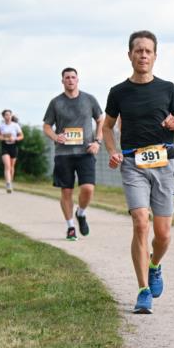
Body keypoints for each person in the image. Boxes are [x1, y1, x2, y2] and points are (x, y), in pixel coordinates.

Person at [102, 30, 174, 315]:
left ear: (155, 56)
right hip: (133, 164)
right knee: (141, 222)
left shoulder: (167, 88)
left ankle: (154, 265)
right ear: (129, 55)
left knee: (163, 234)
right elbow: (106, 127)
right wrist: (112, 150)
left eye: (148, 51)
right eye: (138, 50)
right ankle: (142, 291)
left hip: (164, 164)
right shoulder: (118, 92)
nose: (143, 55)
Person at [42, 68, 104, 240]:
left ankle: (81, 213)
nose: (70, 80)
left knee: (88, 189)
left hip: (86, 152)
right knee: (66, 192)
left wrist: (97, 141)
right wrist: (56, 136)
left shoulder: (89, 99)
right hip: (64, 154)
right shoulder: (56, 102)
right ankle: (70, 227)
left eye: (73, 77)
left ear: (78, 80)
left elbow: (101, 120)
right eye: (67, 77)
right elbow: (46, 126)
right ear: (62, 81)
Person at [0, 110, 24, 193]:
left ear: (11, 116)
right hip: (5, 146)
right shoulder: (1, 126)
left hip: (13, 146)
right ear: (3, 116)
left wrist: (15, 138)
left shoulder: (15, 125)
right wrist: (1, 137)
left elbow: (21, 136)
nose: (8, 116)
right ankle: (8, 184)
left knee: (11, 167)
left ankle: (10, 183)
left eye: (9, 115)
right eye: (6, 115)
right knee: (7, 166)